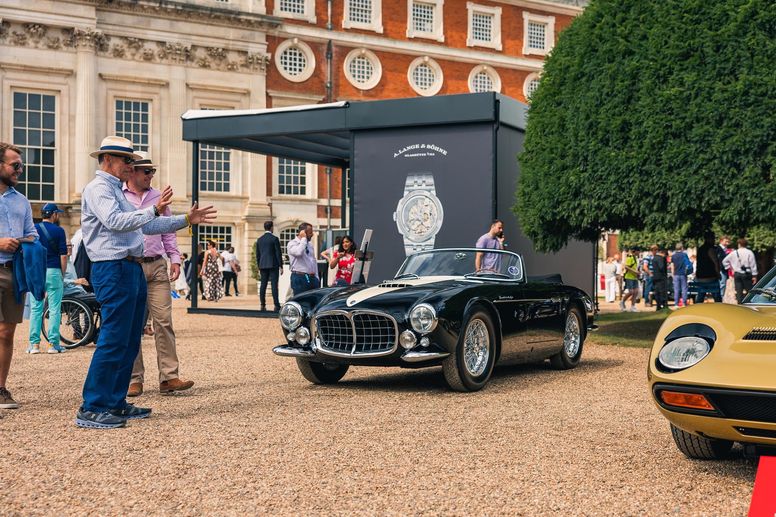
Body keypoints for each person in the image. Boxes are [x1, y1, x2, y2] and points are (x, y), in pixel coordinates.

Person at [77, 135, 216, 429]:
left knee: (128, 338)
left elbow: (146, 224)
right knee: (114, 338)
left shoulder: (113, 189)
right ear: (108, 160)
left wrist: (185, 219)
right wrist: (153, 209)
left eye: (132, 160)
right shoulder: (98, 189)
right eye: (128, 160)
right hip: (112, 267)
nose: (132, 165)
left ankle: (114, 402)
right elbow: (116, 221)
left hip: (128, 268)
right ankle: (93, 406)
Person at [123, 153, 195, 398]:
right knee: (134, 324)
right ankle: (134, 379)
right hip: (131, 266)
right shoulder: (118, 196)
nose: (151, 176)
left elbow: (168, 231)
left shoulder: (158, 197)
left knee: (164, 321)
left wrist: (175, 259)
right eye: (146, 171)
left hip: (156, 266)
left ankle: (169, 377)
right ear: (132, 171)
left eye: (152, 171)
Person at [0, 142, 38, 413]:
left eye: (20, 165)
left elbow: (32, 234)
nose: (20, 170)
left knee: (6, 333)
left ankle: (0, 389)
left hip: (13, 271)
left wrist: (23, 241)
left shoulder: (21, 200)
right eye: (15, 165)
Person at [27, 203, 68, 354]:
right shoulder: (59, 231)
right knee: (55, 309)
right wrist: (62, 274)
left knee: (36, 308)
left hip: (37, 272)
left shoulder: (33, 229)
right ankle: (53, 344)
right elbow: (63, 255)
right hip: (53, 271)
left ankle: (34, 345)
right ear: (54, 215)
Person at [256, 221, 283, 311]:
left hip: (263, 265)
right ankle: (276, 305)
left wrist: (258, 266)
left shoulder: (259, 239)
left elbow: (258, 255)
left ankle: (262, 304)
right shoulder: (274, 239)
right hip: (273, 264)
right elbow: (278, 253)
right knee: (274, 285)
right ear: (271, 227)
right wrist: (281, 265)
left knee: (263, 285)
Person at [722, 238, 758, 304]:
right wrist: (754, 275)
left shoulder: (734, 253)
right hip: (747, 273)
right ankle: (750, 303)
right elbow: (753, 265)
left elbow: (724, 261)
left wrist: (729, 268)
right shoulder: (749, 252)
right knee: (749, 290)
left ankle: (740, 304)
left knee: (739, 291)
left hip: (737, 273)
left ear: (739, 244)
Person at [287, 222, 319, 295]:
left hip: (312, 278)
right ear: (303, 232)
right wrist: (303, 239)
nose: (312, 234)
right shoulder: (292, 244)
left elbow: (313, 261)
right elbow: (299, 252)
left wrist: (317, 278)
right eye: (310, 232)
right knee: (302, 302)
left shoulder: (309, 245)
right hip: (300, 278)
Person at [694, 233, 722, 303]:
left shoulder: (700, 249)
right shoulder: (710, 249)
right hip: (710, 277)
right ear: (709, 239)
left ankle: (698, 306)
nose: (714, 240)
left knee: (700, 295)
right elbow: (716, 262)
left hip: (700, 277)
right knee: (717, 296)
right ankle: (719, 308)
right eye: (713, 239)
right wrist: (718, 274)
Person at [670, 243, 691, 308]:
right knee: (684, 289)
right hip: (683, 274)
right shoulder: (684, 255)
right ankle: (684, 303)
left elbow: (672, 266)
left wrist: (672, 274)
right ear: (681, 248)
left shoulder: (673, 256)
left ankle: (676, 304)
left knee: (676, 289)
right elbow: (687, 264)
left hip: (676, 274)